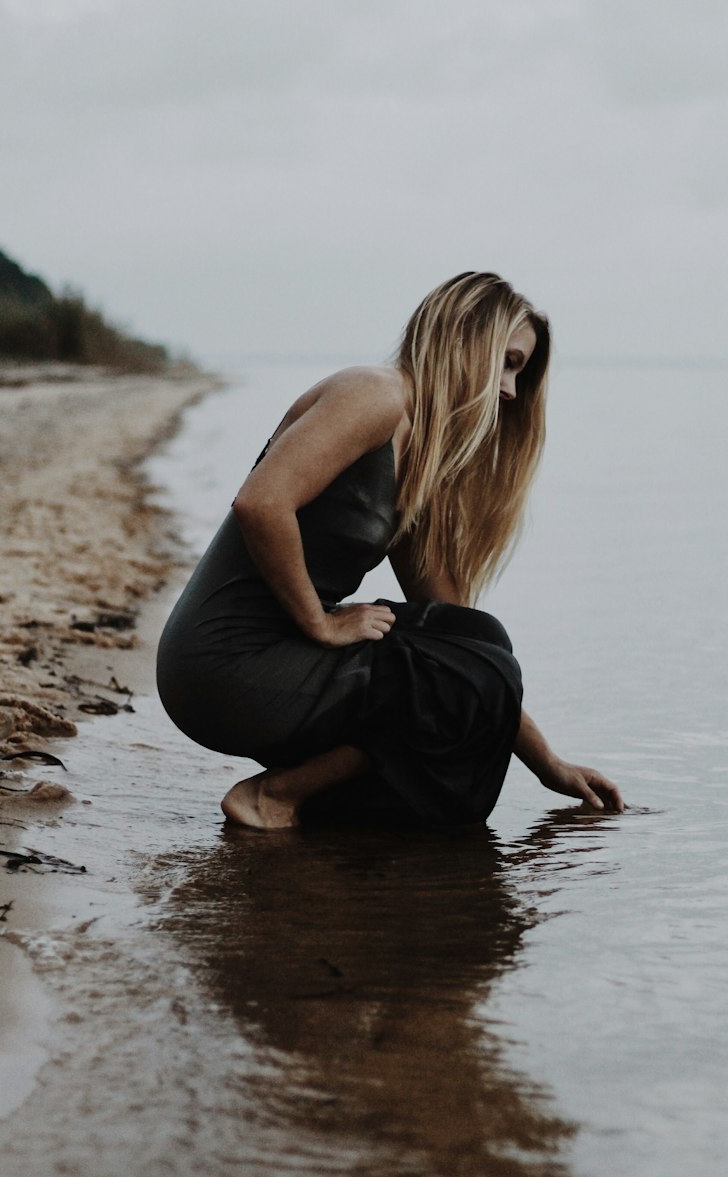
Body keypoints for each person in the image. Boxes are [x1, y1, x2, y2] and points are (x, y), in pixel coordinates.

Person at [157, 272, 623, 829]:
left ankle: (326, 813)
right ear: (464, 338)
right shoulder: (376, 394)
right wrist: (321, 623)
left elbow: (464, 643)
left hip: (281, 658)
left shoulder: (419, 455)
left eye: (518, 372)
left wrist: (549, 765)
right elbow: (261, 503)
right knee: (459, 668)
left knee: (479, 638)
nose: (509, 390)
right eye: (508, 362)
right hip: (222, 665)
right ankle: (274, 796)